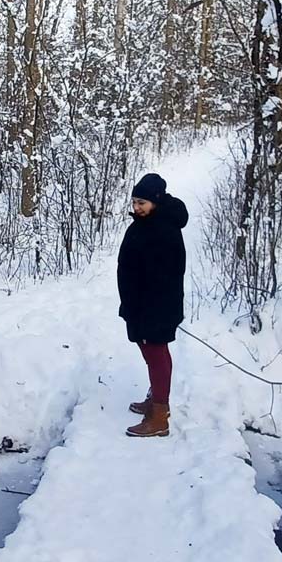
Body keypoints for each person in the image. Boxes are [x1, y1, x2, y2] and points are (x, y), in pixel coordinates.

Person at [117, 172, 188, 437]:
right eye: (134, 202)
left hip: (155, 306)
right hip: (141, 304)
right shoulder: (147, 223)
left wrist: (147, 305)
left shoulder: (164, 228)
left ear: (155, 201)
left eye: (142, 203)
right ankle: (156, 399)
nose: (136, 207)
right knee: (151, 354)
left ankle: (159, 417)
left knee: (156, 355)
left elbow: (166, 274)